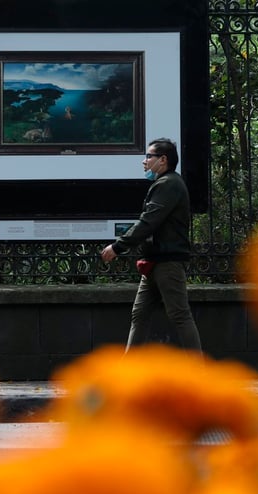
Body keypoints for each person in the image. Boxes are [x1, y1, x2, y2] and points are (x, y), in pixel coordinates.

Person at [100, 137, 202, 352]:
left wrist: (118, 246)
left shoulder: (169, 184)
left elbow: (149, 221)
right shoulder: (164, 183)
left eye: (149, 156)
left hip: (168, 262)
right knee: (140, 315)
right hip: (154, 261)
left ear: (162, 160)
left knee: (180, 315)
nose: (144, 161)